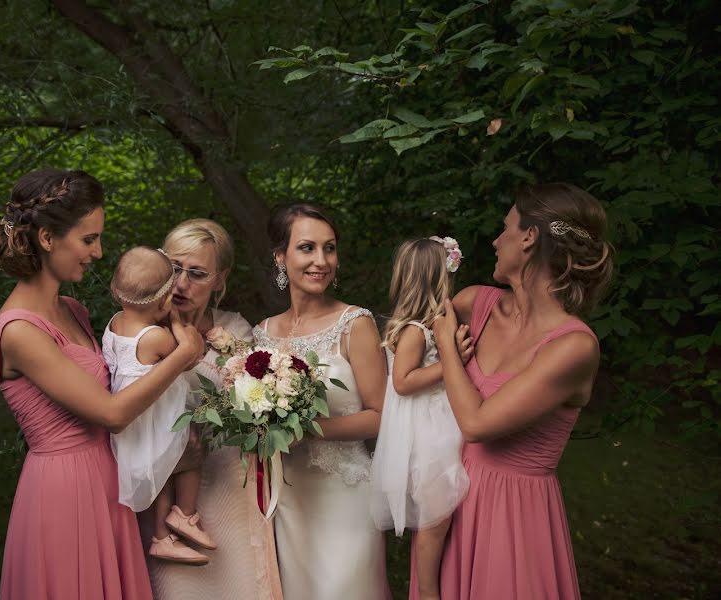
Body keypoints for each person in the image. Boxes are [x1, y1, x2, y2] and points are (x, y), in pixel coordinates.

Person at [0, 169, 202, 600]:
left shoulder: (72, 309)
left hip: (107, 478)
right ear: (48, 239)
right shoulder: (19, 331)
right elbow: (111, 412)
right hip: (64, 491)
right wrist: (181, 357)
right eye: (88, 240)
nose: (99, 253)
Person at [413, 183, 614, 600]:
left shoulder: (573, 347)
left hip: (513, 518)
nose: (494, 240)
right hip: (450, 505)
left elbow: (477, 423)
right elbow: (405, 349)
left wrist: (448, 347)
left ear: (529, 238)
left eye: (504, 228)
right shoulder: (474, 304)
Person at [253, 204, 390, 599]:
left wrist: (306, 431)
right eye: (307, 248)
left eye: (329, 249)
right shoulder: (262, 334)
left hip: (343, 496)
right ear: (281, 256)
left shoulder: (355, 323)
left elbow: (380, 416)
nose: (321, 261)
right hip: (289, 497)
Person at [142, 218, 284, 600]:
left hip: (229, 485)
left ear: (220, 280)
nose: (182, 283)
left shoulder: (235, 329)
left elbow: (259, 407)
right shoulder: (141, 331)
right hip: (167, 493)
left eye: (197, 273)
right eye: (174, 268)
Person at [370, 237, 472, 600]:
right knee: (434, 523)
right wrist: (450, 364)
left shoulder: (431, 326)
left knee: (441, 522)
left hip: (440, 425)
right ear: (438, 279)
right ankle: (427, 593)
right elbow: (402, 383)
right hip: (427, 437)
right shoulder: (415, 330)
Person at [102, 247, 216, 566]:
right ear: (165, 301)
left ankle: (162, 539)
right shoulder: (155, 338)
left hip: (134, 431)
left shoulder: (114, 324)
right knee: (190, 453)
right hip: (152, 419)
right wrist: (179, 323)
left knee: (163, 474)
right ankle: (185, 514)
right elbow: (189, 355)